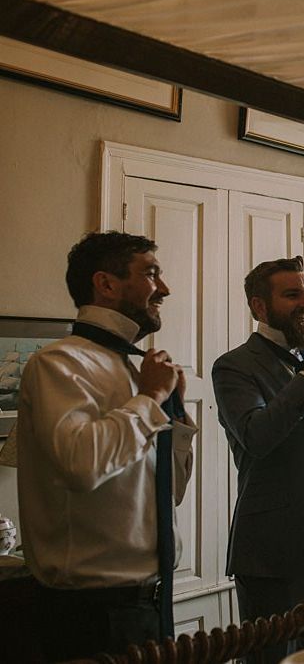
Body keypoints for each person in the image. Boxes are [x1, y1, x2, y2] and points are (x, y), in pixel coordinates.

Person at [16, 231, 196, 661]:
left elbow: (168, 492)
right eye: (151, 274)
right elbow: (81, 465)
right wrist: (149, 401)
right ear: (107, 284)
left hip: (151, 604)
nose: (165, 288)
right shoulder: (58, 364)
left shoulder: (138, 371)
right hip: (91, 614)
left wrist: (175, 413)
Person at [212, 256, 304, 664]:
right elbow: (257, 437)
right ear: (260, 307)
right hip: (273, 556)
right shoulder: (234, 366)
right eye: (292, 295)